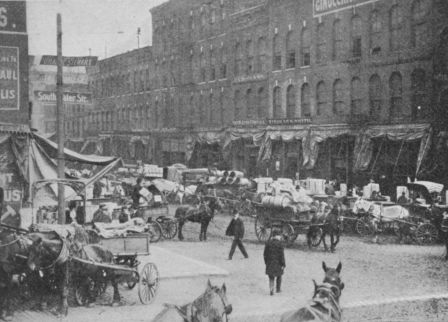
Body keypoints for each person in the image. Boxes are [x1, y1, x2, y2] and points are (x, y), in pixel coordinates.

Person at [263, 230, 285, 296]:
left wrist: (266, 262)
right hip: (278, 263)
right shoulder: (280, 244)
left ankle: (271, 289)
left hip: (270, 263)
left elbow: (265, 254)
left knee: (271, 277)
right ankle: (278, 289)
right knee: (279, 275)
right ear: (277, 236)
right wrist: (283, 264)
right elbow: (282, 255)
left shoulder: (268, 243)